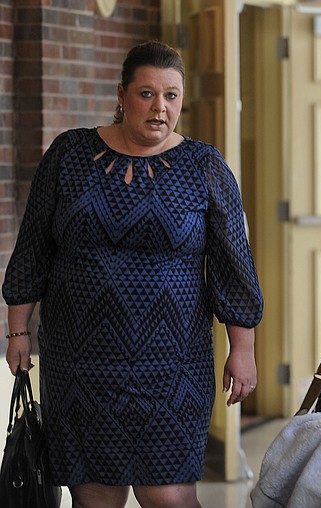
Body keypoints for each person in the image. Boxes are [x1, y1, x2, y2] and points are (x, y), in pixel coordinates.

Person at [2, 41, 264, 508]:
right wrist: (17, 330)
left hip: (174, 365)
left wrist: (241, 349)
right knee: (94, 495)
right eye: (147, 94)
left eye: (172, 96)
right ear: (121, 94)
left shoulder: (204, 166)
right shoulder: (70, 155)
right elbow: (32, 250)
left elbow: (233, 265)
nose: (160, 107)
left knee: (169, 496)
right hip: (80, 362)